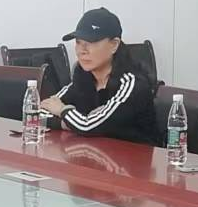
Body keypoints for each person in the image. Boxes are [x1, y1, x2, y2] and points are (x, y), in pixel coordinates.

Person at [37, 8, 162, 146]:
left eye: (91, 42)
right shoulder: (83, 77)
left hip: (136, 157)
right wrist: (70, 122)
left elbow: (87, 126)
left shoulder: (132, 84)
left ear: (114, 45)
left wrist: (63, 110)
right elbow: (37, 114)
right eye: (78, 42)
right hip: (97, 152)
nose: (82, 50)